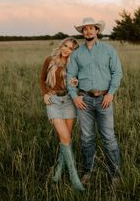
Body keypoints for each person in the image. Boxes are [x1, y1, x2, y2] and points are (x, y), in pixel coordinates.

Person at [67, 17, 123, 185]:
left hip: (104, 99)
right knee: (87, 138)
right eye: (85, 29)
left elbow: (117, 73)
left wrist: (111, 93)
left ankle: (115, 175)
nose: (88, 31)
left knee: (109, 137)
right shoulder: (77, 54)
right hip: (84, 100)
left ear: (97, 31)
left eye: (91, 28)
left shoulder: (108, 50)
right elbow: (70, 76)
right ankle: (88, 172)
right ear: (82, 33)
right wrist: (74, 96)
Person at [40, 37, 84, 191]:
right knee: (65, 137)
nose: (66, 49)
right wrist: (45, 94)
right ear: (61, 46)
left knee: (66, 139)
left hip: (69, 101)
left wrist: (76, 83)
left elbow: (78, 82)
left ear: (74, 51)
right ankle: (74, 176)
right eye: (65, 46)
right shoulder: (49, 60)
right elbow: (41, 79)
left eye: (71, 48)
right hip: (53, 102)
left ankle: (59, 170)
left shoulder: (74, 64)